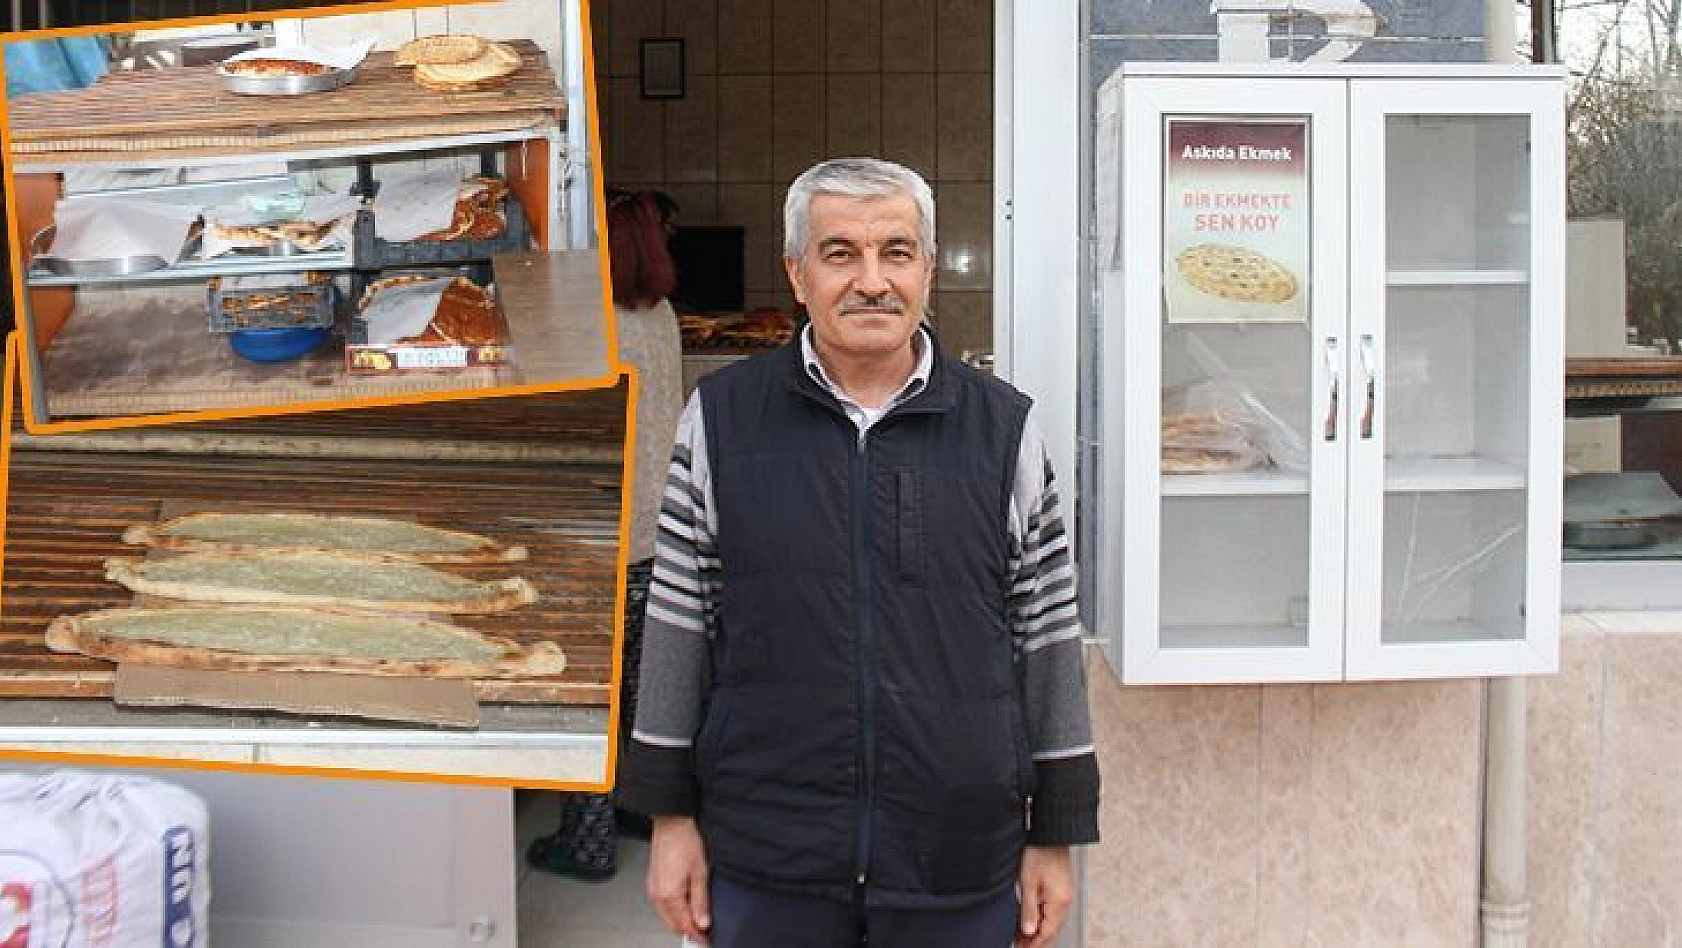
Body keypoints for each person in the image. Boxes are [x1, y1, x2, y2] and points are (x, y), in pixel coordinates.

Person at [618, 158, 1099, 947]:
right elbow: (678, 635)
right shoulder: (721, 422)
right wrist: (671, 819)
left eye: (897, 253)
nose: (872, 280)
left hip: (959, 852)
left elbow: (1046, 645)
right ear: (797, 274)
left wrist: (1057, 828)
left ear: (929, 271)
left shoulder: (1005, 432)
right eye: (840, 253)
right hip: (768, 851)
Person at [527, 190, 684, 881]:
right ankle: (639, 811)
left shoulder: (588, 324)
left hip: (600, 539)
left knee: (590, 699)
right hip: (659, 536)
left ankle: (586, 844)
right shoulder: (663, 315)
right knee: (643, 696)